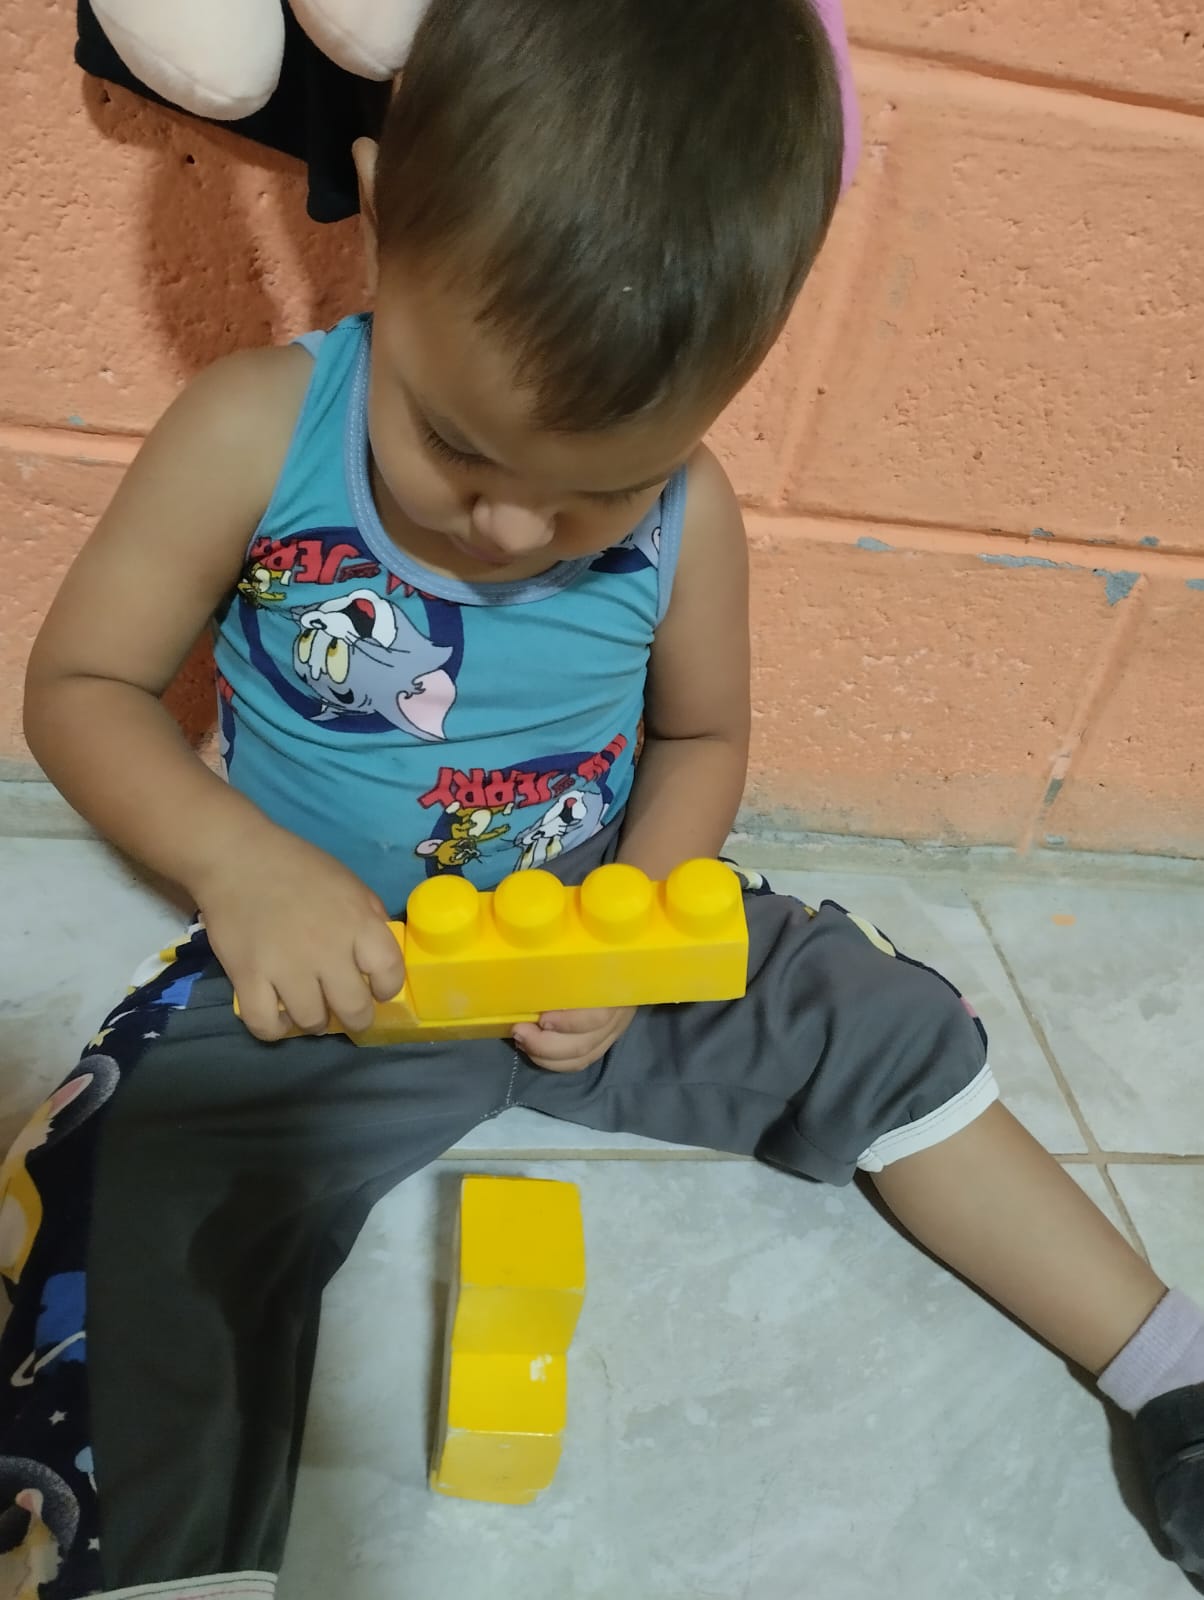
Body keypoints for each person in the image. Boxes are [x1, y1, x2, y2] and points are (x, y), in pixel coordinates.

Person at [12, 1, 1204, 1594]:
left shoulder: (692, 515)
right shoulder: (255, 428)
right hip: (326, 963)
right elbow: (82, 688)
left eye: (599, 490)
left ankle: (1170, 1371)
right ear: (382, 209)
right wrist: (240, 868)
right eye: (455, 445)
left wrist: (629, 925)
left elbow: (702, 740)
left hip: (587, 944)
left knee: (882, 1015)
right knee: (124, 1173)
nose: (512, 530)